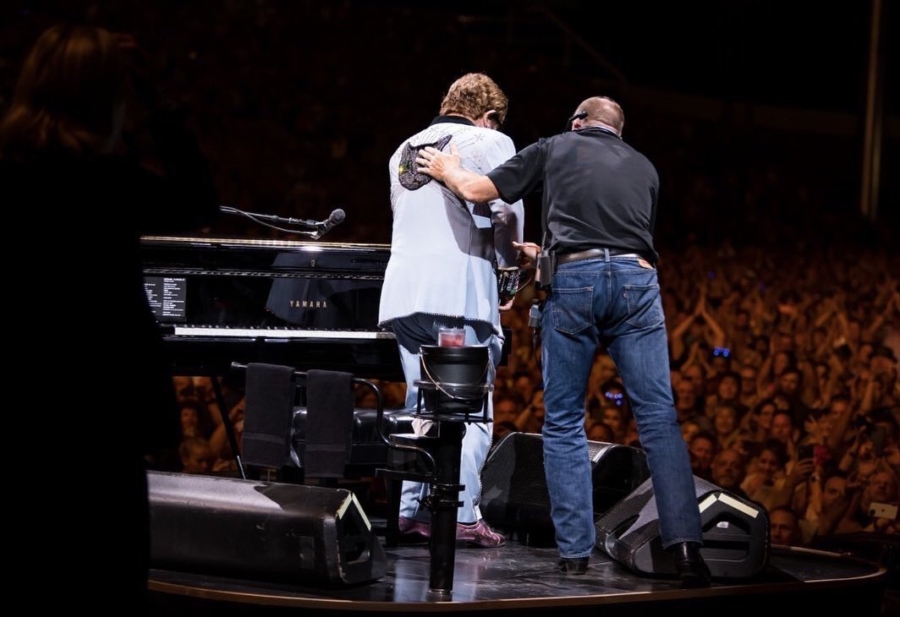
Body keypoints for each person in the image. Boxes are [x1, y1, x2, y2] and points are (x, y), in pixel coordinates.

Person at [416, 95, 711, 586]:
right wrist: (547, 254)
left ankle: (575, 554)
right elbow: (616, 243)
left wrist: (448, 168)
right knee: (659, 420)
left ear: (578, 123)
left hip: (575, 284)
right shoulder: (644, 166)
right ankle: (686, 551)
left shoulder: (555, 145)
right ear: (617, 131)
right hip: (637, 283)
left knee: (565, 420)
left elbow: (476, 189)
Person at [0, 24, 218, 609]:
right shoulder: (107, 182)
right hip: (104, 409)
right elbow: (198, 197)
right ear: (105, 99)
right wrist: (158, 102)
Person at [377, 72, 524, 547]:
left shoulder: (402, 148)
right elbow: (506, 211)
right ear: (489, 115)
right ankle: (460, 515)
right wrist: (509, 271)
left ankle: (408, 512)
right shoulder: (492, 140)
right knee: (469, 409)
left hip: (404, 297)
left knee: (420, 405)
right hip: (457, 295)